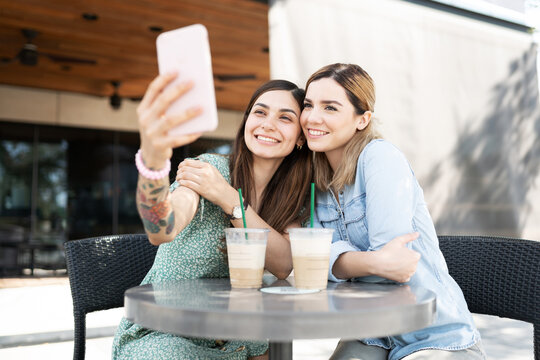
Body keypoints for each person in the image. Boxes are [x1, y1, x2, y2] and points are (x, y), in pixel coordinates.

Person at [112, 73, 312, 360]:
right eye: (260, 112)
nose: (268, 124)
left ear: (300, 138)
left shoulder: (291, 199)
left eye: (285, 118)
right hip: (164, 335)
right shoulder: (209, 169)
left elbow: (282, 265)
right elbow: (160, 228)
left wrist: (230, 199)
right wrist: (153, 162)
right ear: (246, 122)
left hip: (236, 338)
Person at [300, 63, 485, 360]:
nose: (312, 117)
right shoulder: (314, 180)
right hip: (371, 333)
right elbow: (315, 263)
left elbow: (394, 266)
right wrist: (369, 261)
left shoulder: (380, 157)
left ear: (362, 119)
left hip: (433, 334)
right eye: (308, 105)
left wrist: (340, 261)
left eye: (330, 108)